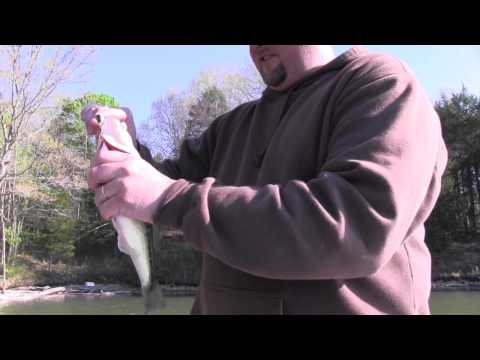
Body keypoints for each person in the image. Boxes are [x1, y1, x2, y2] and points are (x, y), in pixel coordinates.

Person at [82, 45, 448, 314]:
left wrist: (168, 198)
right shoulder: (233, 126)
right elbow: (159, 186)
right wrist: (125, 146)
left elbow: (358, 223)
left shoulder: (381, 83)